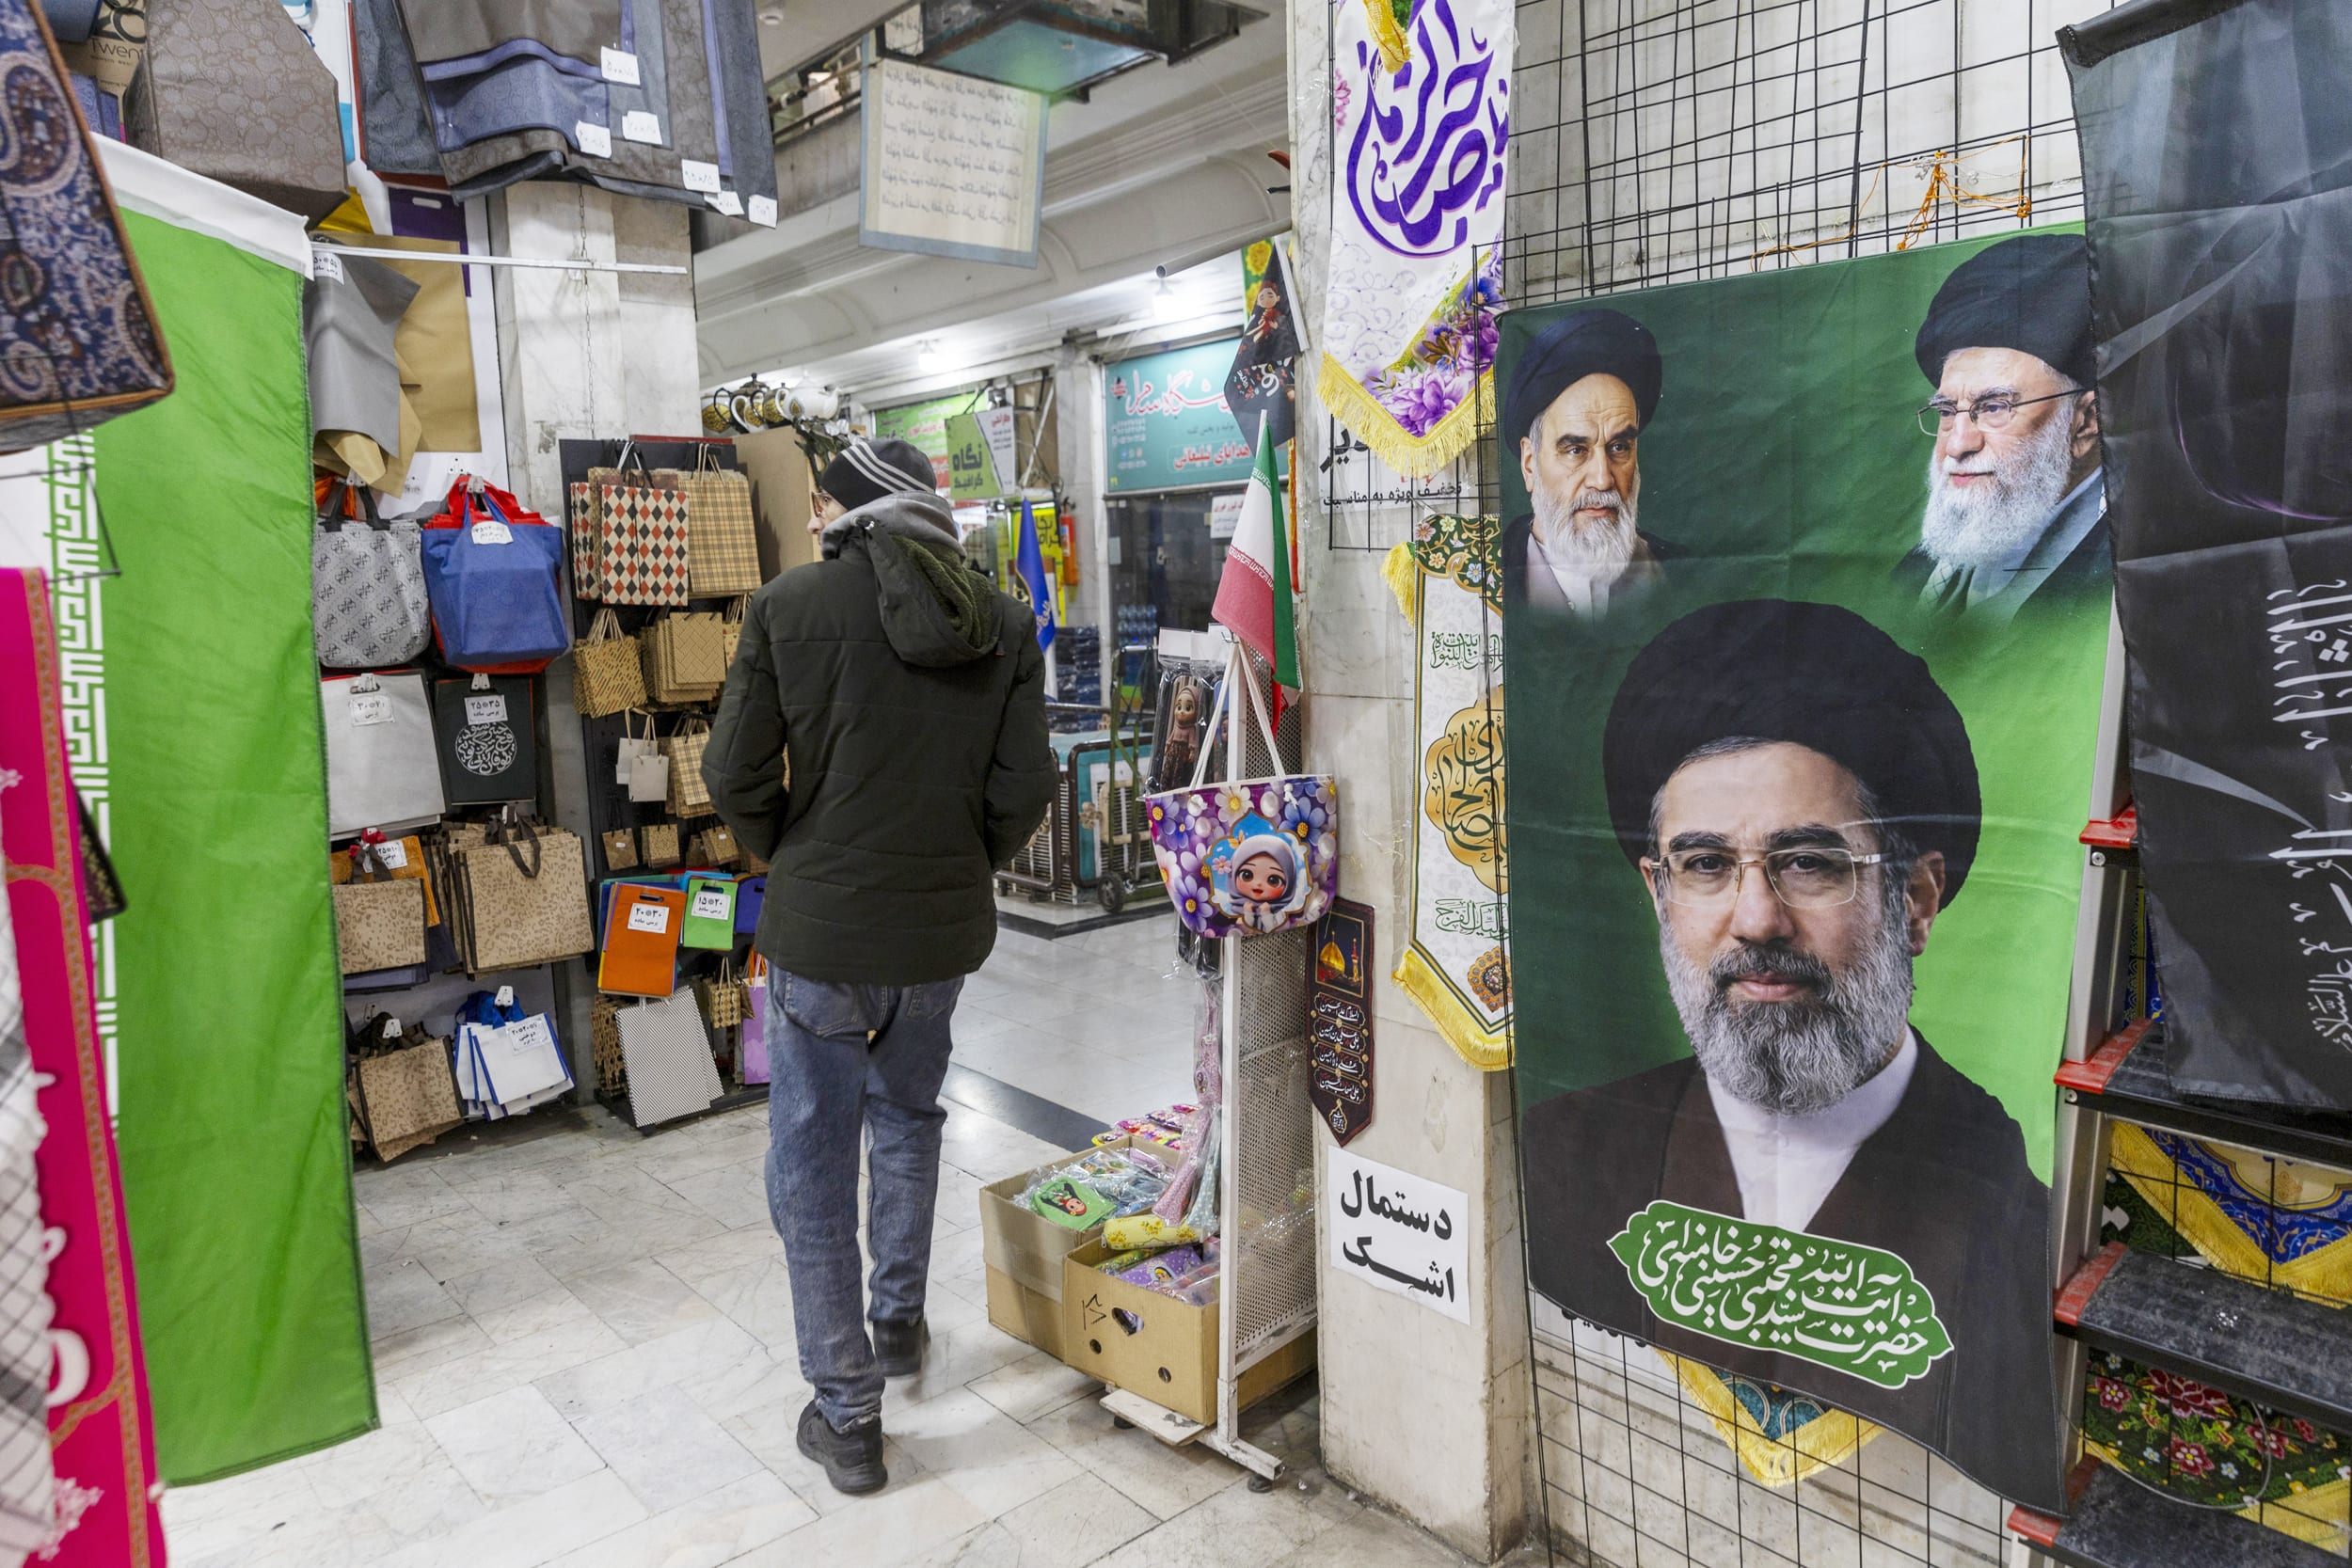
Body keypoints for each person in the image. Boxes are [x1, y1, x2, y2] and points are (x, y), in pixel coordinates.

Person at [1518, 598, 2058, 1510]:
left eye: (1808, 861)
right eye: (1704, 865)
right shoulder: (1561, 1156)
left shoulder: (2022, 1223)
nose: (1756, 917)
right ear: (1658, 894)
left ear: (1915, 898)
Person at [704, 435, 1055, 1497]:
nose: (809, 514)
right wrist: (962, 865)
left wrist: (794, 845)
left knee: (810, 1163)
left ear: (849, 509)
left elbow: (730, 771)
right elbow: (1023, 788)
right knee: (908, 1119)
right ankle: (897, 1324)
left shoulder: (789, 607)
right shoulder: (999, 621)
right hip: (935, 939)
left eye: (819, 499)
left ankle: (847, 1413)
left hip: (821, 941)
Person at [1899, 232, 2106, 623]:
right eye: (1946, 411)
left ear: (2085, 423)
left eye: (1994, 407)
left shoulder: (2121, 572)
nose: (1957, 445)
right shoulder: (1915, 575)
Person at [1502, 307, 1670, 617]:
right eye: (1576, 450)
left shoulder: (1677, 575)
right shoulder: (1483, 574)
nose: (1603, 479)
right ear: (1529, 465)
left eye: (1619, 447)